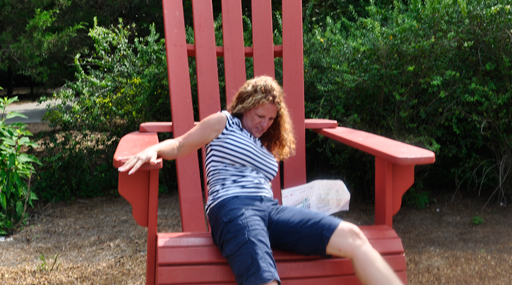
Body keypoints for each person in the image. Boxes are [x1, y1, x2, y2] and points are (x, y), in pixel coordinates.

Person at [118, 76, 403, 285]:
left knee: (353, 236)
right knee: (264, 280)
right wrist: (154, 149)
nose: (264, 123)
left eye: (270, 118)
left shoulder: (265, 142)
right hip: (232, 209)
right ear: (244, 105)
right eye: (259, 115)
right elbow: (180, 145)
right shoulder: (223, 122)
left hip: (270, 209)